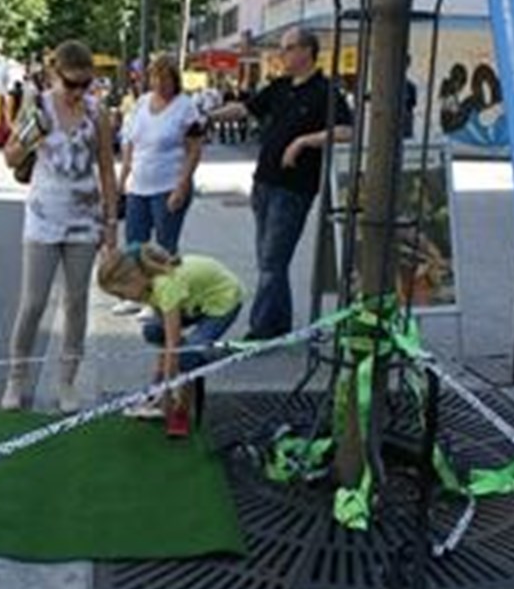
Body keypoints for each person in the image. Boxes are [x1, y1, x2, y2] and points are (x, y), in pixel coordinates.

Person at [206, 26, 352, 341]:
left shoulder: (325, 91)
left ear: (306, 51)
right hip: (264, 183)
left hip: (294, 188)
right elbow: (246, 109)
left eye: (287, 48)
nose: (281, 55)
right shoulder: (280, 86)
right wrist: (208, 116)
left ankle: (260, 330)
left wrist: (303, 142)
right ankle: (279, 323)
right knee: (269, 260)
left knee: (273, 260)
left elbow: (346, 130)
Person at [0, 40, 119, 413]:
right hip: (43, 215)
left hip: (84, 217)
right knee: (34, 302)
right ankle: (15, 379)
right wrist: (30, 134)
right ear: (55, 75)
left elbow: (105, 168)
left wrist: (111, 223)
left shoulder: (97, 113)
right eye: (72, 84)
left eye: (87, 84)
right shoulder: (38, 107)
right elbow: (9, 157)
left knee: (77, 302)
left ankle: (66, 382)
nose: (79, 92)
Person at [96, 243, 243, 438]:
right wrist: (158, 383)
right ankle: (169, 388)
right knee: (153, 331)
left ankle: (181, 411)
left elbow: (174, 350)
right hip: (194, 300)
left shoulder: (165, 286)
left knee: (187, 355)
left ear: (133, 279)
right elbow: (165, 335)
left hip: (223, 301)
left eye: (121, 294)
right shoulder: (146, 287)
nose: (121, 299)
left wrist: (165, 395)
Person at [113, 55, 204, 316]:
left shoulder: (185, 107)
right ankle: (136, 295)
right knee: (135, 244)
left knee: (164, 248)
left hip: (168, 185)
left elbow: (194, 150)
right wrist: (122, 181)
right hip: (139, 185)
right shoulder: (141, 103)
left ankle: (161, 298)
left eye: (164, 78)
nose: (159, 83)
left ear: (175, 79)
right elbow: (130, 144)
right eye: (154, 77)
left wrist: (182, 186)